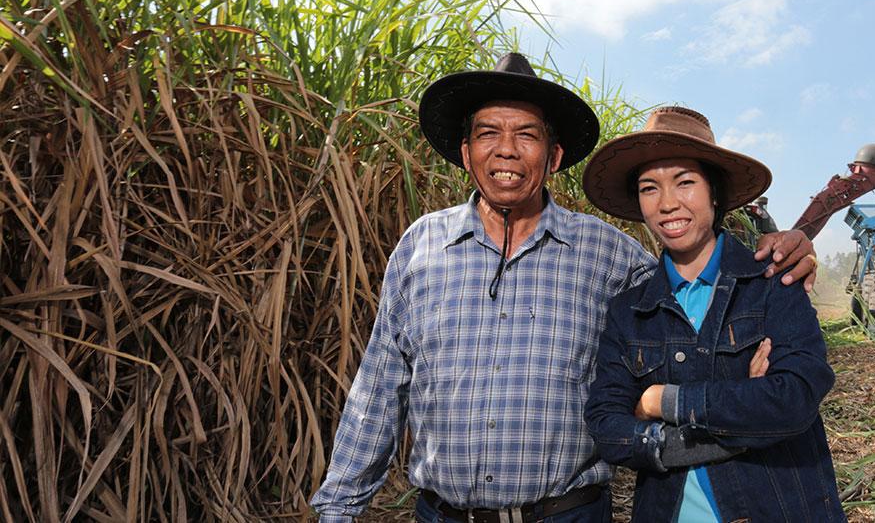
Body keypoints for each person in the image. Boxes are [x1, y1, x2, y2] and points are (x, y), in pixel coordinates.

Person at [310, 54, 819, 522]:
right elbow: (378, 387)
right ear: (467, 154)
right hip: (443, 513)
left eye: (526, 134)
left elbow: (695, 293)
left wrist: (787, 251)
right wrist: (337, 509)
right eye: (488, 132)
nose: (506, 148)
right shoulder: (420, 247)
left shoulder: (608, 255)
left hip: (568, 513)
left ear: (553, 157)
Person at [582, 106, 847, 522]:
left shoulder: (773, 284)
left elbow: (794, 399)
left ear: (715, 193)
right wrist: (743, 419)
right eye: (649, 188)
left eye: (685, 182)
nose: (667, 203)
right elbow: (606, 425)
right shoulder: (629, 309)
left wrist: (659, 401)